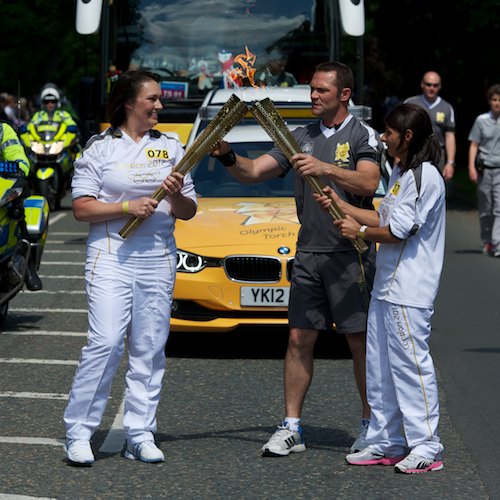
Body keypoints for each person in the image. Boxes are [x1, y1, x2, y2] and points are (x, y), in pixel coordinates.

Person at [211, 61, 381, 457]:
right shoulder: (298, 136)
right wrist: (227, 156)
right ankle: (291, 427)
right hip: (308, 254)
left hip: (350, 254)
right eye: (312, 89)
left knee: (359, 343)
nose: (313, 96)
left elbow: (369, 181)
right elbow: (254, 172)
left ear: (344, 94)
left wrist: (325, 168)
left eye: (322, 90)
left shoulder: (362, 135)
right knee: (298, 338)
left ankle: (371, 424)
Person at [63, 70, 198, 465]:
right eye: (152, 99)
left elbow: (189, 211)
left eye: (159, 99)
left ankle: (139, 433)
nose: (159, 106)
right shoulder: (101, 148)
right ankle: (79, 432)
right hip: (111, 257)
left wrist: (175, 196)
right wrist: (126, 206)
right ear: (128, 102)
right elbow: (81, 208)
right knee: (104, 343)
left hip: (157, 258)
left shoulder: (172, 147)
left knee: (149, 348)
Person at [315, 103, 446, 473]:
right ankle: (386, 440)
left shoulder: (425, 176)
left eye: (388, 133)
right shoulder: (402, 173)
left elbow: (400, 232)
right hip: (386, 287)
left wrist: (356, 232)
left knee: (411, 367)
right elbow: (383, 216)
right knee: (380, 367)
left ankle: (426, 445)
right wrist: (341, 206)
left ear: (407, 136)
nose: (383, 138)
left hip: (410, 289)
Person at [0, 120, 43, 291]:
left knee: (17, 210)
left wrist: (18, 168)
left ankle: (28, 266)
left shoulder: (2, 130)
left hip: (2, 185)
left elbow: (18, 156)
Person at [404, 71, 456, 181]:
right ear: (422, 85)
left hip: (437, 155)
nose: (431, 88)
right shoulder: (410, 104)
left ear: (440, 86)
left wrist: (450, 163)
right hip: (413, 152)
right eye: (428, 84)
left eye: (435, 85)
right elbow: (401, 132)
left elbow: (450, 136)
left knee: (436, 189)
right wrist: (398, 157)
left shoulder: (447, 108)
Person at [468, 84, 500, 258]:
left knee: (499, 208)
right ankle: (487, 239)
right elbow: (474, 145)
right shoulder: (481, 120)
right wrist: (471, 167)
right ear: (489, 101)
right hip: (485, 169)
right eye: (494, 100)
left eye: (499, 100)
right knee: (486, 208)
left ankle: (497, 244)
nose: (497, 103)